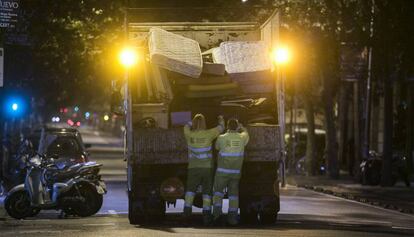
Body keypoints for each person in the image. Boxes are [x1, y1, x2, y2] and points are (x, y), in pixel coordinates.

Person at [183, 114, 224, 225]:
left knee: (190, 192)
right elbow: (221, 128)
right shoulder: (209, 133)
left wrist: (192, 122)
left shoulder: (189, 134)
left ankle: (186, 215)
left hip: (193, 168)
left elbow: (185, 127)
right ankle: (206, 216)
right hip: (207, 168)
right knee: (207, 192)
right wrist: (220, 118)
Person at [212, 119, 249, 225]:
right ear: (236, 126)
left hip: (222, 173)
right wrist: (242, 127)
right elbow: (246, 133)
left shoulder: (221, 138)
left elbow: (216, 147)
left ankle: (217, 216)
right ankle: (232, 219)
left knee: (218, 193)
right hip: (235, 173)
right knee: (233, 196)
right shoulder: (242, 137)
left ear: (227, 126)